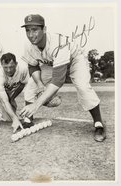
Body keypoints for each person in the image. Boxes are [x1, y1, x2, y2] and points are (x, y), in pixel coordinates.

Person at [20, 14, 106, 142]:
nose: (31, 34)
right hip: (52, 63)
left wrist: (37, 104)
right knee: (31, 85)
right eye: (27, 30)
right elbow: (33, 66)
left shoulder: (58, 43)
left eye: (35, 29)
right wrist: (40, 86)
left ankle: (99, 123)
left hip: (75, 60)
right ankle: (28, 119)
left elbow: (58, 80)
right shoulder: (28, 46)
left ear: (44, 29)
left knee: (83, 87)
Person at [0, 52, 32, 133]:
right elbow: (4, 101)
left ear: (16, 64)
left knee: (8, 119)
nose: (9, 70)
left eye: (11, 67)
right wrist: (15, 119)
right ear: (1, 65)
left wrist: (12, 98)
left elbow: (23, 84)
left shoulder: (23, 70)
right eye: (5, 67)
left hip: (5, 90)